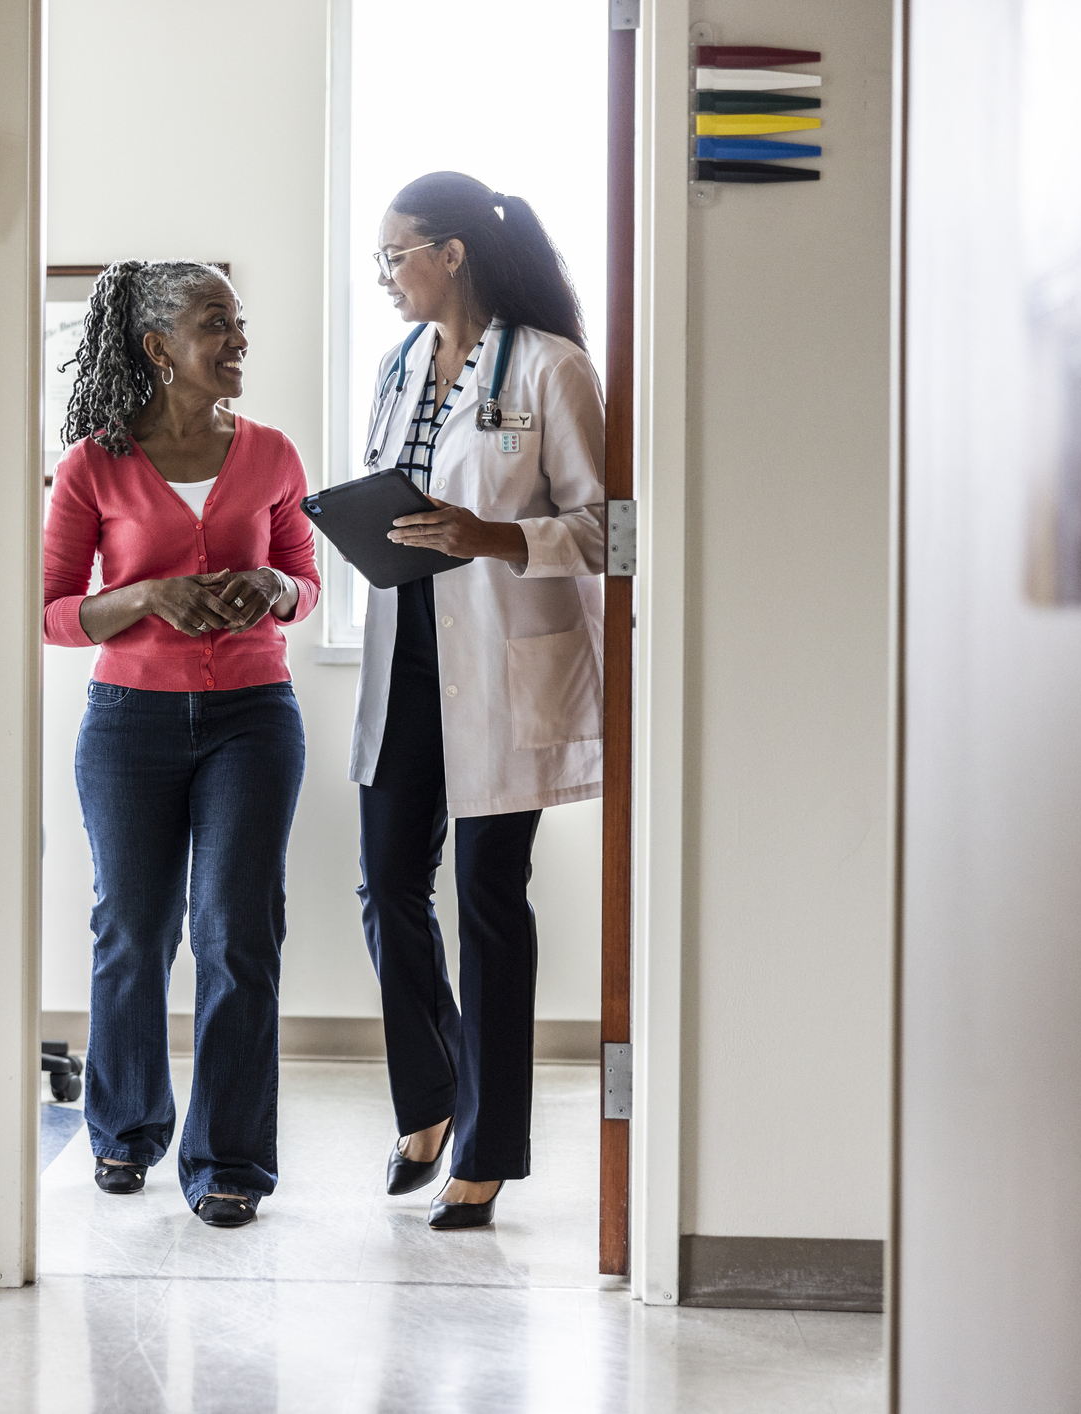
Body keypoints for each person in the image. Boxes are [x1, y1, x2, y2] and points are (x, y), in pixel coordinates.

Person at [351, 172, 605, 1231]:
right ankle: (430, 1094)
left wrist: (494, 536)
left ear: (451, 251)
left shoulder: (553, 369)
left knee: (489, 902)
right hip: (405, 643)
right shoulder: (398, 364)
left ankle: (487, 1146)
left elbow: (607, 532)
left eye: (395, 255)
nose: (385, 278)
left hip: (502, 660)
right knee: (383, 882)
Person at [43, 261, 320, 1229]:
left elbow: (305, 579)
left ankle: (228, 1158)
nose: (237, 340)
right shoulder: (92, 463)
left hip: (253, 716)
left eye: (238, 323)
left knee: (237, 935)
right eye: (216, 325)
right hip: (129, 723)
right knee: (132, 930)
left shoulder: (274, 454)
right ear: (159, 346)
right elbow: (49, 612)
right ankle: (122, 1131)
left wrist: (274, 591)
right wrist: (145, 597)